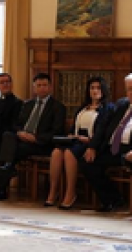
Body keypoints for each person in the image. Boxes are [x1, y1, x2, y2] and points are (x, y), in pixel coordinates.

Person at [79, 72, 132, 216]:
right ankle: (113, 199)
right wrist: (92, 146)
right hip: (113, 148)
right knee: (86, 162)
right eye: (129, 89)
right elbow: (103, 126)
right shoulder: (121, 104)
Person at [0, 73, 67, 202]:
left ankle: (5, 175)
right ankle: (7, 167)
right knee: (8, 135)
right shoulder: (27, 104)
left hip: (42, 144)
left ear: (50, 87)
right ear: (34, 88)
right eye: (39, 85)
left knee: (12, 150)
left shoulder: (58, 107)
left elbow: (57, 131)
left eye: (44, 85)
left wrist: (35, 138)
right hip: (22, 139)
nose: (42, 88)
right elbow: (16, 124)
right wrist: (20, 132)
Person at [45, 76, 113, 210]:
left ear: (104, 90)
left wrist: (90, 141)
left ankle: (71, 192)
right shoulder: (83, 107)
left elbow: (103, 132)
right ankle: (53, 191)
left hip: (92, 143)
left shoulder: (107, 108)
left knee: (69, 153)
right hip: (76, 140)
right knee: (57, 152)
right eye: (92, 88)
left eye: (98, 88)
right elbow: (74, 126)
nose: (95, 91)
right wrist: (71, 135)